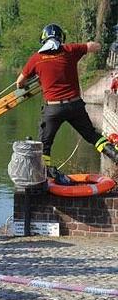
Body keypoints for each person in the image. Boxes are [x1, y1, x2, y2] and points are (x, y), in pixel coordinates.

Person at [16, 23, 118, 183]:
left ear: (43, 40)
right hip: (75, 105)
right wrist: (97, 44)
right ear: (60, 38)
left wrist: (35, 78)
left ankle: (47, 174)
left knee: (45, 145)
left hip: (53, 109)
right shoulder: (70, 50)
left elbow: (19, 83)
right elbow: (93, 46)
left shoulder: (36, 59)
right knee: (92, 136)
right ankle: (115, 155)